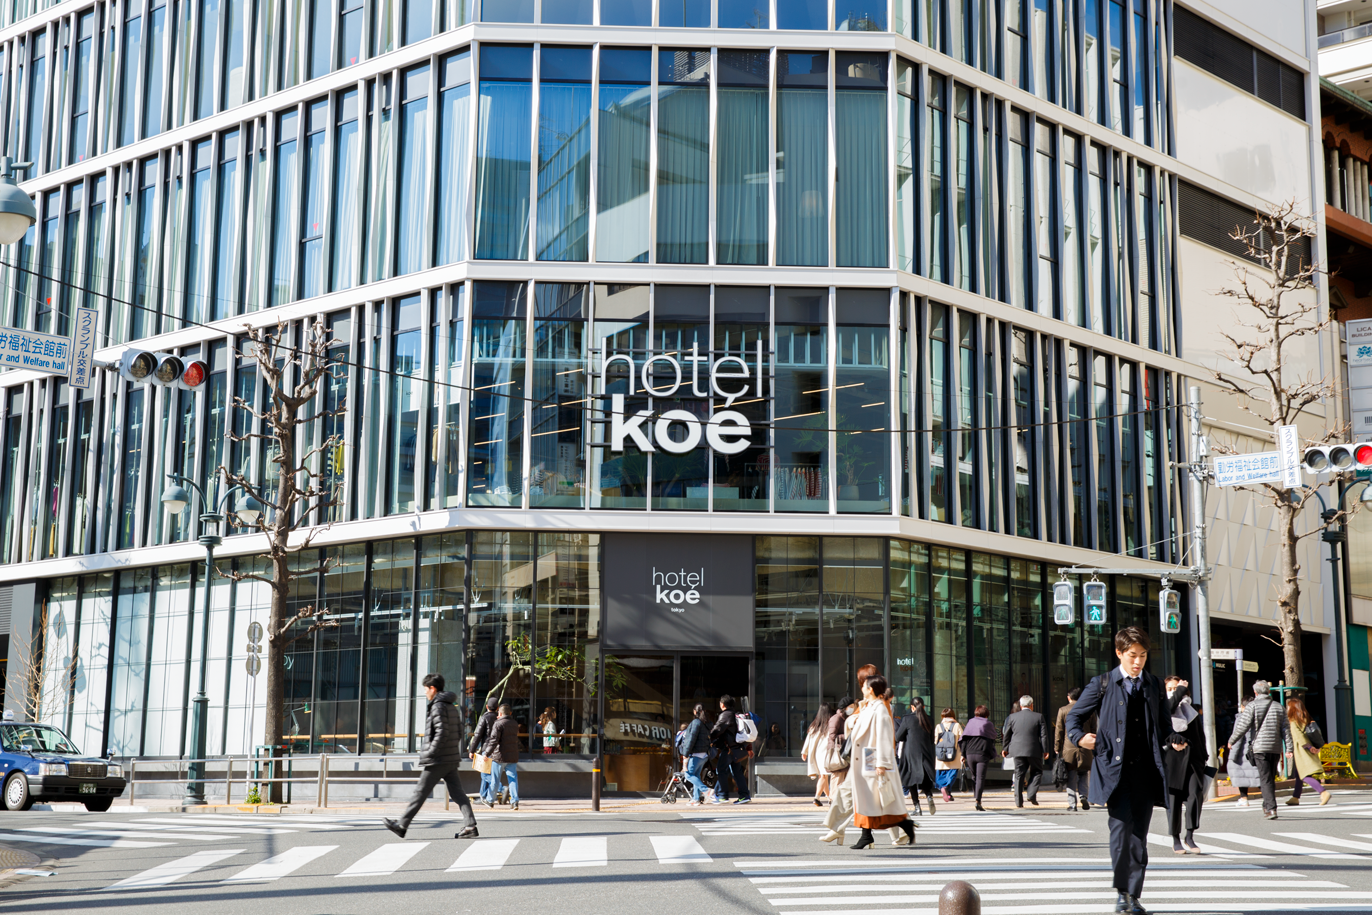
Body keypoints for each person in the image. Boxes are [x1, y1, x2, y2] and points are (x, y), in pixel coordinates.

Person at [1067, 626, 1170, 915]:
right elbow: (1074, 717)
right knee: (1121, 833)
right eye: (1132, 656)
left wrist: (1174, 739)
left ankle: (1133, 896)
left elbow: (1164, 727)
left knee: (1139, 837)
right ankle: (1122, 893)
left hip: (1147, 773)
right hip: (1115, 773)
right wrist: (1080, 737)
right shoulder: (1102, 683)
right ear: (1119, 653)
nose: (1138, 662)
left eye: (1143, 655)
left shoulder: (1154, 685)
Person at [385, 673, 479, 840]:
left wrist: (431, 752)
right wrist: (449, 750)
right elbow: (458, 732)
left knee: (420, 793)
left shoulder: (437, 706)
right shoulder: (451, 705)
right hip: (450, 758)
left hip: (438, 759)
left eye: (426, 689)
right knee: (458, 794)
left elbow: (442, 733)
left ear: (433, 688)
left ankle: (402, 825)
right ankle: (470, 825)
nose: (425, 693)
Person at [847, 674, 917, 849]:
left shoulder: (880, 709)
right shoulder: (869, 707)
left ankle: (876, 832)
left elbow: (885, 736)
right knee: (867, 799)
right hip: (866, 756)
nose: (861, 688)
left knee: (873, 799)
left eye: (864, 686)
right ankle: (869, 834)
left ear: (870, 689)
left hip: (872, 757)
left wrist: (882, 763)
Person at [1226, 680, 1292, 820]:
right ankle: (1267, 804)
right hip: (1275, 747)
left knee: (1265, 778)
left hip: (1260, 747)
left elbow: (1242, 726)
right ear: (1268, 692)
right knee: (1270, 777)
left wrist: (1232, 740)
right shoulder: (1279, 707)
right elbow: (1286, 729)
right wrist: (1289, 748)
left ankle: (1271, 808)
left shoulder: (1252, 706)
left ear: (1255, 693)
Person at [1163, 676, 1206, 853]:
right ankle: (1175, 839)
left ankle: (1189, 836)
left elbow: (1199, 734)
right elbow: (1166, 715)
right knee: (1173, 802)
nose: (1174, 691)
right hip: (1171, 761)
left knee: (1195, 797)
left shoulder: (1191, 708)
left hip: (1193, 760)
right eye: (1170, 688)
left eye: (1177, 688)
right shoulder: (1162, 709)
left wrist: (1203, 756)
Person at [820, 697, 857, 844]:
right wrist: (848, 735)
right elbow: (832, 737)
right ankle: (835, 829)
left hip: (846, 758)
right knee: (836, 794)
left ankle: (838, 832)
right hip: (838, 759)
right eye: (851, 706)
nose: (852, 709)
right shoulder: (836, 718)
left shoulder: (846, 717)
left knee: (844, 795)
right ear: (845, 707)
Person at [1002, 695, 1050, 808]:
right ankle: (1031, 793)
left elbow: (1007, 734)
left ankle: (1019, 802)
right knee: (1037, 771)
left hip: (1017, 750)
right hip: (1034, 750)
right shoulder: (1038, 717)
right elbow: (1043, 735)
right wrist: (1045, 750)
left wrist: (1005, 748)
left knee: (1019, 774)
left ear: (1020, 705)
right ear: (1031, 705)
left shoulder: (1012, 717)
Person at [1284, 697, 1332, 807]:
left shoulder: (1293, 721)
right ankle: (1295, 797)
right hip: (1309, 749)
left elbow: (1298, 737)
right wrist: (1314, 747)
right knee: (1299, 774)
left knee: (1304, 775)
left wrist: (1308, 747)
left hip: (1302, 751)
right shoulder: (1306, 718)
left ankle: (1323, 792)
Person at [896, 698, 937, 815]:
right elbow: (931, 739)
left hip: (910, 753)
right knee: (924, 778)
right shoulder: (929, 719)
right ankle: (929, 796)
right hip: (925, 752)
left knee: (910, 779)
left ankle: (917, 807)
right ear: (923, 707)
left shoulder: (907, 719)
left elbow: (898, 737)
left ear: (912, 707)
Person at [1055, 687, 1094, 812]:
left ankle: (1072, 804)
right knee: (1083, 774)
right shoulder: (1089, 711)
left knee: (1070, 776)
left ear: (1069, 697)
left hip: (1069, 748)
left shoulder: (1063, 710)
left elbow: (1059, 731)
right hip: (1085, 748)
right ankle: (1084, 796)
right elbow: (1094, 730)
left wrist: (1057, 747)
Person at [710, 694, 752, 805]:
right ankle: (744, 795)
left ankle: (723, 796)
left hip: (728, 749)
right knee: (737, 772)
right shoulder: (735, 714)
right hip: (736, 749)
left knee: (721, 770)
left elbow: (718, 728)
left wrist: (709, 737)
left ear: (722, 704)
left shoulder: (726, 715)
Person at [481, 703, 521, 810]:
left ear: (500, 713)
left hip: (499, 756)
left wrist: (487, 753)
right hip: (512, 756)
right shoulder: (514, 723)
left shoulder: (498, 724)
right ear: (510, 713)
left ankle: (490, 800)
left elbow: (493, 741)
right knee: (512, 779)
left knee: (495, 780)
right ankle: (515, 802)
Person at [960, 705, 999, 812]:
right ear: (986, 715)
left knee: (974, 776)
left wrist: (962, 754)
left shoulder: (970, 722)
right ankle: (978, 800)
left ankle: (976, 797)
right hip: (982, 753)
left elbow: (964, 739)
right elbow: (993, 737)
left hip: (970, 753)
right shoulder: (988, 723)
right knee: (980, 777)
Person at [1225, 695, 1262, 807]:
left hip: (1243, 752)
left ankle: (1243, 798)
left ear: (1242, 706)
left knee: (1241, 775)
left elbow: (1238, 736)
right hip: (1256, 750)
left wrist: (1232, 756)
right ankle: (1268, 796)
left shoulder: (1241, 717)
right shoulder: (1258, 717)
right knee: (1257, 775)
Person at [802, 703, 835, 807]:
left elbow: (808, 739)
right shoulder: (831, 724)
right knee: (823, 776)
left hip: (817, 754)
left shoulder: (815, 725)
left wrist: (804, 752)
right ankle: (816, 797)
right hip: (826, 753)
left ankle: (830, 798)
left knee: (822, 775)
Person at [469, 696, 499, 807]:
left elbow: (477, 735)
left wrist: (472, 750)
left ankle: (501, 788)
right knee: (486, 772)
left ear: (487, 707)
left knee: (484, 774)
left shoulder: (484, 718)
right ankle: (483, 796)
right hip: (497, 750)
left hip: (486, 749)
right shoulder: (499, 718)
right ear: (498, 708)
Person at [679, 703, 712, 806]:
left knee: (688, 775)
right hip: (704, 755)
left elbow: (691, 739)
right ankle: (696, 799)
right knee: (696, 775)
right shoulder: (706, 723)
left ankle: (706, 790)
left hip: (696, 754)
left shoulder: (696, 722)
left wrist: (685, 753)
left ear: (694, 711)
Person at [932, 709, 964, 803]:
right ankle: (946, 788)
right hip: (954, 754)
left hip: (941, 754)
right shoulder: (957, 725)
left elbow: (935, 741)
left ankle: (946, 791)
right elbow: (962, 739)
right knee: (952, 773)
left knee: (941, 773)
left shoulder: (938, 726)